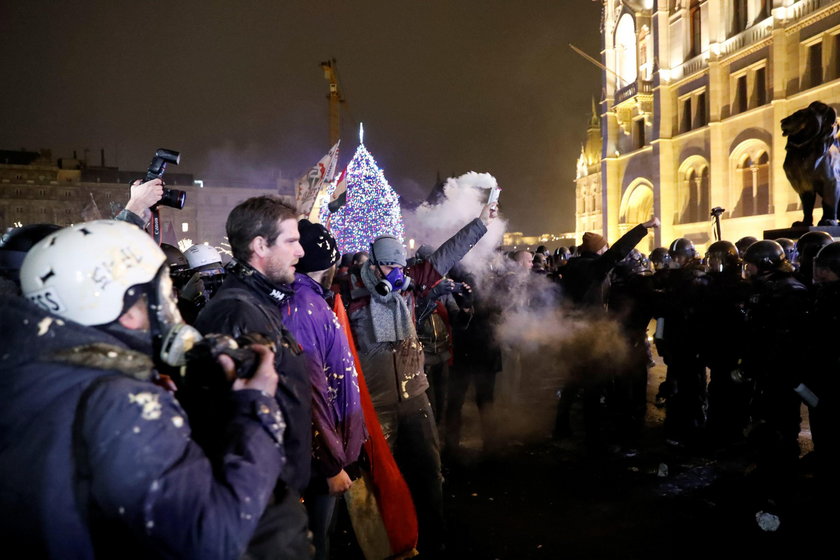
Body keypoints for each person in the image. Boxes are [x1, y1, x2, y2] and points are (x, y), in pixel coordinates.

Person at [0, 220, 284, 559]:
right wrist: (257, 408)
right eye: (163, 293)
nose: (172, 305)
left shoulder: (27, 366)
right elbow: (210, 539)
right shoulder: (125, 402)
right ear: (126, 310)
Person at [346, 202, 498, 556]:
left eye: (399, 264)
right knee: (378, 477)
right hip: (377, 402)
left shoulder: (411, 290)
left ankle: (434, 537)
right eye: (387, 264)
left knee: (429, 471)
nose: (394, 272)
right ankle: (382, 544)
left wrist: (479, 223)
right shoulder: (350, 296)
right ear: (372, 263)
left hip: (414, 395)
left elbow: (446, 255)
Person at [193, 196, 313, 560]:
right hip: (259, 510)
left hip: (274, 495)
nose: (301, 252)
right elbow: (225, 425)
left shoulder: (259, 304)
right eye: (291, 241)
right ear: (259, 245)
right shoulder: (235, 311)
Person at [285, 219, 366, 560]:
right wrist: (331, 463)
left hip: (328, 446)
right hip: (319, 456)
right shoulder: (303, 307)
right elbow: (310, 391)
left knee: (323, 537)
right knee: (316, 544)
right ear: (328, 263)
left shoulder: (312, 301)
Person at [554, 217, 660, 451]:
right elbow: (617, 252)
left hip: (573, 332)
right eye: (603, 247)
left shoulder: (572, 267)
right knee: (593, 385)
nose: (606, 251)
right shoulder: (592, 267)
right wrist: (643, 228)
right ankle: (593, 436)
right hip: (588, 334)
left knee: (572, 381)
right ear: (597, 250)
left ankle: (561, 427)